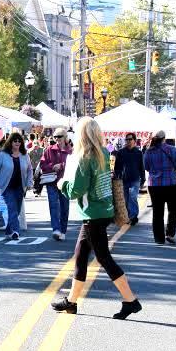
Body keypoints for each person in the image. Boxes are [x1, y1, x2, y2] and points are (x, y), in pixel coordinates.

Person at [51, 117, 141, 319]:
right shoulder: (104, 152)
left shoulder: (85, 157)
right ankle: (72, 302)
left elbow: (76, 190)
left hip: (92, 213)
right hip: (104, 210)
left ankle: (131, 300)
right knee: (81, 256)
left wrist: (61, 184)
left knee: (103, 258)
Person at [0, 132, 33, 240]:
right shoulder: (3, 155)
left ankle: (8, 231)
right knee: (12, 209)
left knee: (17, 210)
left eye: (19, 141)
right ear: (10, 142)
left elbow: (30, 170)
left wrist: (30, 182)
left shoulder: (25, 155)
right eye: (15, 140)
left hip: (20, 187)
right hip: (7, 187)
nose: (17, 142)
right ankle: (15, 231)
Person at [144, 130, 176, 245]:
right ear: (164, 138)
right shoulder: (171, 149)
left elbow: (146, 167)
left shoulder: (148, 151)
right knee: (173, 210)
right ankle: (170, 233)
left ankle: (159, 238)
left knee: (157, 212)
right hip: (172, 183)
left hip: (155, 185)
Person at [39, 127, 73, 241]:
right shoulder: (49, 149)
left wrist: (62, 166)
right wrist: (52, 167)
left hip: (65, 182)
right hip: (52, 181)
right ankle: (56, 229)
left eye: (59, 136)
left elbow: (74, 166)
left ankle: (63, 230)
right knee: (53, 205)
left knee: (65, 207)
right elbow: (42, 165)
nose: (57, 139)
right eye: (55, 137)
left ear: (65, 137)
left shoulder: (71, 151)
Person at [113, 132, 146, 225]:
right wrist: (116, 176)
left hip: (135, 179)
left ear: (134, 141)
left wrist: (143, 179)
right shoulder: (121, 152)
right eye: (126, 139)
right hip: (123, 180)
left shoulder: (139, 153)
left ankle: (133, 216)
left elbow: (141, 167)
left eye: (130, 139)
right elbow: (117, 167)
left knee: (133, 197)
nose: (128, 141)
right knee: (126, 199)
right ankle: (127, 216)